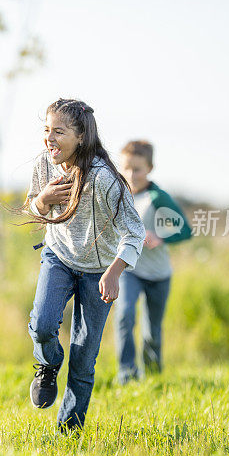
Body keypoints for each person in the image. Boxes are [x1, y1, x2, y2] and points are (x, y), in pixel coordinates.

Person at [23, 98, 145, 432]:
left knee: (84, 354)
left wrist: (115, 270)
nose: (50, 138)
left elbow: (134, 231)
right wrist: (43, 200)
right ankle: (47, 365)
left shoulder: (104, 179)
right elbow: (32, 209)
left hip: (100, 270)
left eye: (58, 131)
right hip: (58, 257)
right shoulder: (43, 166)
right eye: (46, 130)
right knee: (43, 325)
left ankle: (69, 430)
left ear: (80, 137)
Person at [115, 140, 191, 384]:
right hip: (130, 269)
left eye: (136, 169)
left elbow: (185, 230)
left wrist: (160, 236)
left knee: (152, 331)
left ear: (149, 168)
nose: (130, 174)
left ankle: (154, 376)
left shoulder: (158, 197)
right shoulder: (117, 194)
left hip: (158, 274)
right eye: (126, 168)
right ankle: (127, 373)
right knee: (124, 315)